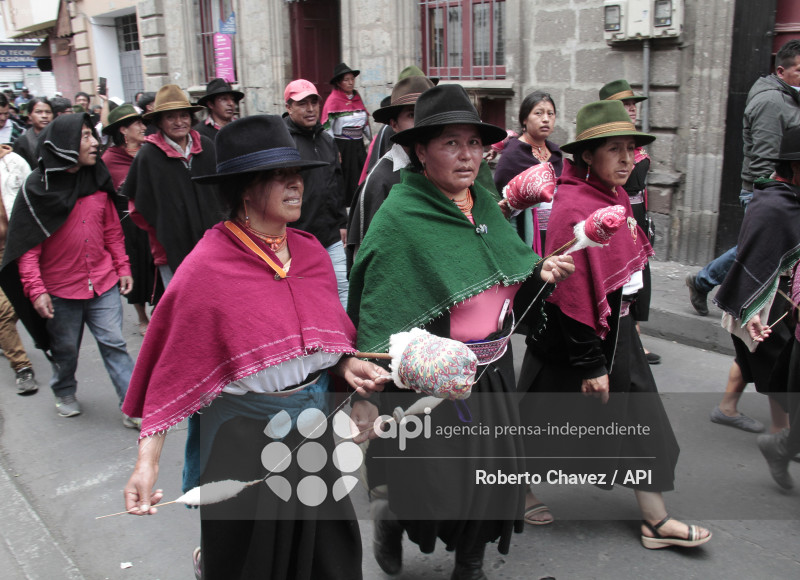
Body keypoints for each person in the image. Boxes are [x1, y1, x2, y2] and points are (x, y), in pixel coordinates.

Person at [121, 115, 388, 579]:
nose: (294, 186)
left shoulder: (309, 254)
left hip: (316, 432)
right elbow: (169, 373)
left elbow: (325, 342)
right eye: (277, 177)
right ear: (245, 188)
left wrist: (348, 369)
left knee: (330, 559)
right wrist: (146, 465)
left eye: (297, 175)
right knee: (252, 563)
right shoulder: (206, 268)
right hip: (242, 442)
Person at [348, 84, 574, 578]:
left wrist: (539, 273)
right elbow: (380, 306)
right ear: (421, 150)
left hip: (491, 373)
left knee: (493, 479)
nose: (467, 155)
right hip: (432, 377)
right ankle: (392, 518)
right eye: (451, 143)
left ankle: (470, 562)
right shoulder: (400, 217)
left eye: (474, 143)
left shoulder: (485, 205)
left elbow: (506, 274)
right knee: (432, 484)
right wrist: (369, 384)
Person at [517, 100, 711, 550]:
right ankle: (516, 486)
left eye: (631, 149)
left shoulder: (615, 196)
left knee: (643, 418)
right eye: (614, 149)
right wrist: (589, 363)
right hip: (572, 339)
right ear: (588, 155)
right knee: (538, 422)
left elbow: (621, 273)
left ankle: (655, 520)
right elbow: (570, 293)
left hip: (617, 334)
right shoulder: (572, 206)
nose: (627, 160)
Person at [0, 114, 138, 426]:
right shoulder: (36, 190)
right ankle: (63, 390)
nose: (95, 143)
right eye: (86, 136)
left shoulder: (97, 179)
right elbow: (27, 248)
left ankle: (132, 406)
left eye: (93, 135)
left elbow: (113, 230)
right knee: (66, 351)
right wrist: (36, 290)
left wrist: (123, 266)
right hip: (61, 290)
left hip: (102, 282)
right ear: (63, 145)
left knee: (114, 344)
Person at [686, 39, 800, 316]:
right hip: (767, 190)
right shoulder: (772, 101)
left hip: (783, 189)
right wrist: (768, 195)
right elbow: (764, 155)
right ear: (781, 71)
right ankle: (708, 285)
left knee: (757, 246)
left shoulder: (789, 98)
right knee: (756, 248)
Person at [714, 126, 800, 490]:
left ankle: (728, 408)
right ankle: (782, 436)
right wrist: (751, 307)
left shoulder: (777, 196)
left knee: (755, 360)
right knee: (771, 364)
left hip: (773, 301)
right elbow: (763, 255)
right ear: (794, 168)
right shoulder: (777, 203)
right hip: (764, 302)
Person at [122, 84, 223, 288]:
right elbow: (137, 209)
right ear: (159, 121)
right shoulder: (148, 155)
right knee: (183, 306)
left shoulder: (207, 146)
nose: (179, 122)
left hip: (214, 244)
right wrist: (164, 230)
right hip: (170, 248)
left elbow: (223, 192)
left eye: (184, 116)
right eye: (171, 117)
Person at [599, 79, 661, 365]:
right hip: (616, 214)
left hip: (636, 214)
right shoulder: (604, 147)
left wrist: (645, 219)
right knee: (622, 274)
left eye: (634, 104)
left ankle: (634, 334)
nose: (633, 109)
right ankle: (619, 334)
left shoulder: (634, 141)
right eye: (626, 105)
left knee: (640, 276)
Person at [346, 74, 434, 265]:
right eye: (412, 115)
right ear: (394, 124)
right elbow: (367, 262)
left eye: (426, 113)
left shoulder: (440, 171)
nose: (421, 123)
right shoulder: (380, 182)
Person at [282, 79, 349, 308]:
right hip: (296, 237)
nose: (310, 109)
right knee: (304, 295)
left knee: (342, 288)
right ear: (288, 107)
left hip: (330, 235)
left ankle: (347, 341)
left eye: (313, 102)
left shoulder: (327, 140)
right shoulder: (283, 142)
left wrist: (342, 222)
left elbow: (336, 182)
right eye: (302, 104)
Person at [101, 104, 156, 335]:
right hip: (125, 220)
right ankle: (142, 316)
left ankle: (159, 311)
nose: (144, 128)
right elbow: (104, 194)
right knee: (135, 265)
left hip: (151, 215)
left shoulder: (150, 151)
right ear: (123, 130)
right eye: (138, 124)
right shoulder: (108, 159)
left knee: (155, 264)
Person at [494, 91, 562, 255]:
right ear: (524, 119)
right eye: (538, 113)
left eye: (550, 114)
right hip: (523, 236)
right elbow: (501, 201)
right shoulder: (513, 155)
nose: (545, 119)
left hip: (555, 235)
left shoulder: (556, 154)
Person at [0, 141, 39, 393]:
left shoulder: (12, 163)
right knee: (3, 311)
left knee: (19, 304)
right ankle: (22, 367)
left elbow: (32, 198)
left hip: (14, 247)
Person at [322, 63, 371, 206]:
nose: (350, 82)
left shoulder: (357, 98)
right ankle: (346, 207)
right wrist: (334, 149)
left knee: (361, 173)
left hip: (358, 144)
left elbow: (365, 121)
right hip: (343, 145)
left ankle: (361, 203)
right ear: (338, 82)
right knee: (347, 176)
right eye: (346, 80)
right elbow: (328, 127)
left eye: (352, 79)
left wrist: (372, 140)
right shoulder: (333, 100)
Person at [13, 97, 53, 169]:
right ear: (29, 115)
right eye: (38, 112)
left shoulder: (60, 137)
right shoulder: (22, 142)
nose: (44, 116)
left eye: (48, 112)